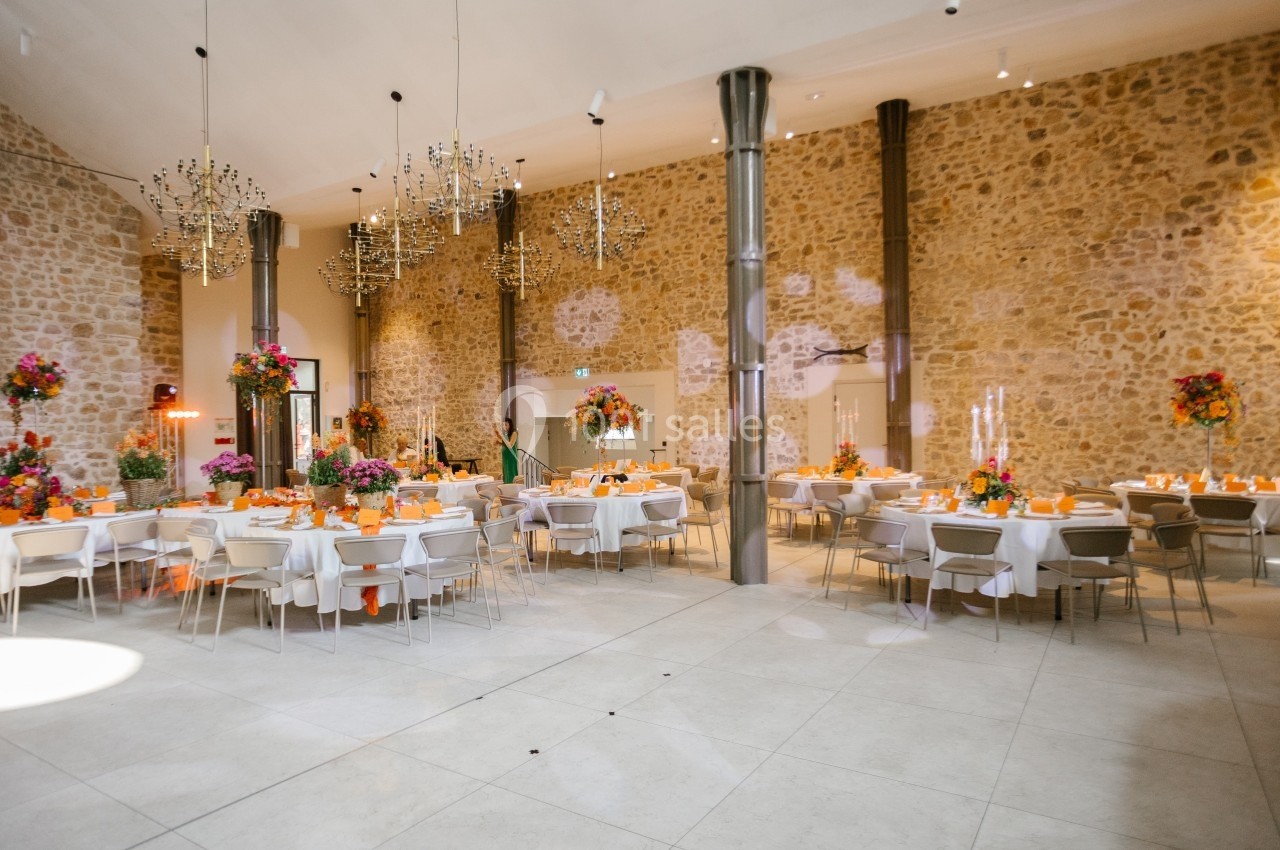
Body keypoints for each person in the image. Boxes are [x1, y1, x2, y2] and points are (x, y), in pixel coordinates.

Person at [494, 417, 519, 483]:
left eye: (506, 425)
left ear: (510, 425)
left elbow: (510, 445)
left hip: (511, 457)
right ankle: (506, 488)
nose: (504, 427)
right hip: (506, 457)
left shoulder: (514, 433)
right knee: (506, 472)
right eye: (503, 425)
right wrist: (499, 440)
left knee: (511, 472)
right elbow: (505, 443)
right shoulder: (506, 434)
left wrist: (501, 436)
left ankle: (512, 488)